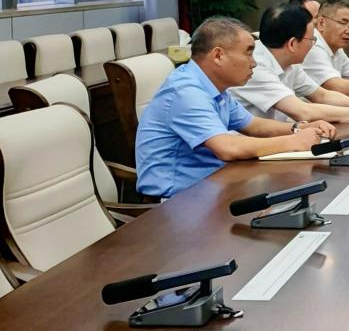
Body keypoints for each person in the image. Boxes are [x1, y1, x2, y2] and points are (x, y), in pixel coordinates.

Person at [135, 16, 332, 199]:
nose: (254, 63)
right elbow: (228, 148)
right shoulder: (186, 91)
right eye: (248, 53)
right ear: (218, 55)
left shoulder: (213, 87)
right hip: (178, 201)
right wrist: (294, 141)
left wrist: (299, 128)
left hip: (214, 185)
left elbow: (253, 125)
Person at [229, 3, 349, 123]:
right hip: (249, 146)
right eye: (312, 39)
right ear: (292, 44)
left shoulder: (290, 63)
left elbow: (322, 95)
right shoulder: (255, 67)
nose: (313, 44)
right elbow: (303, 111)